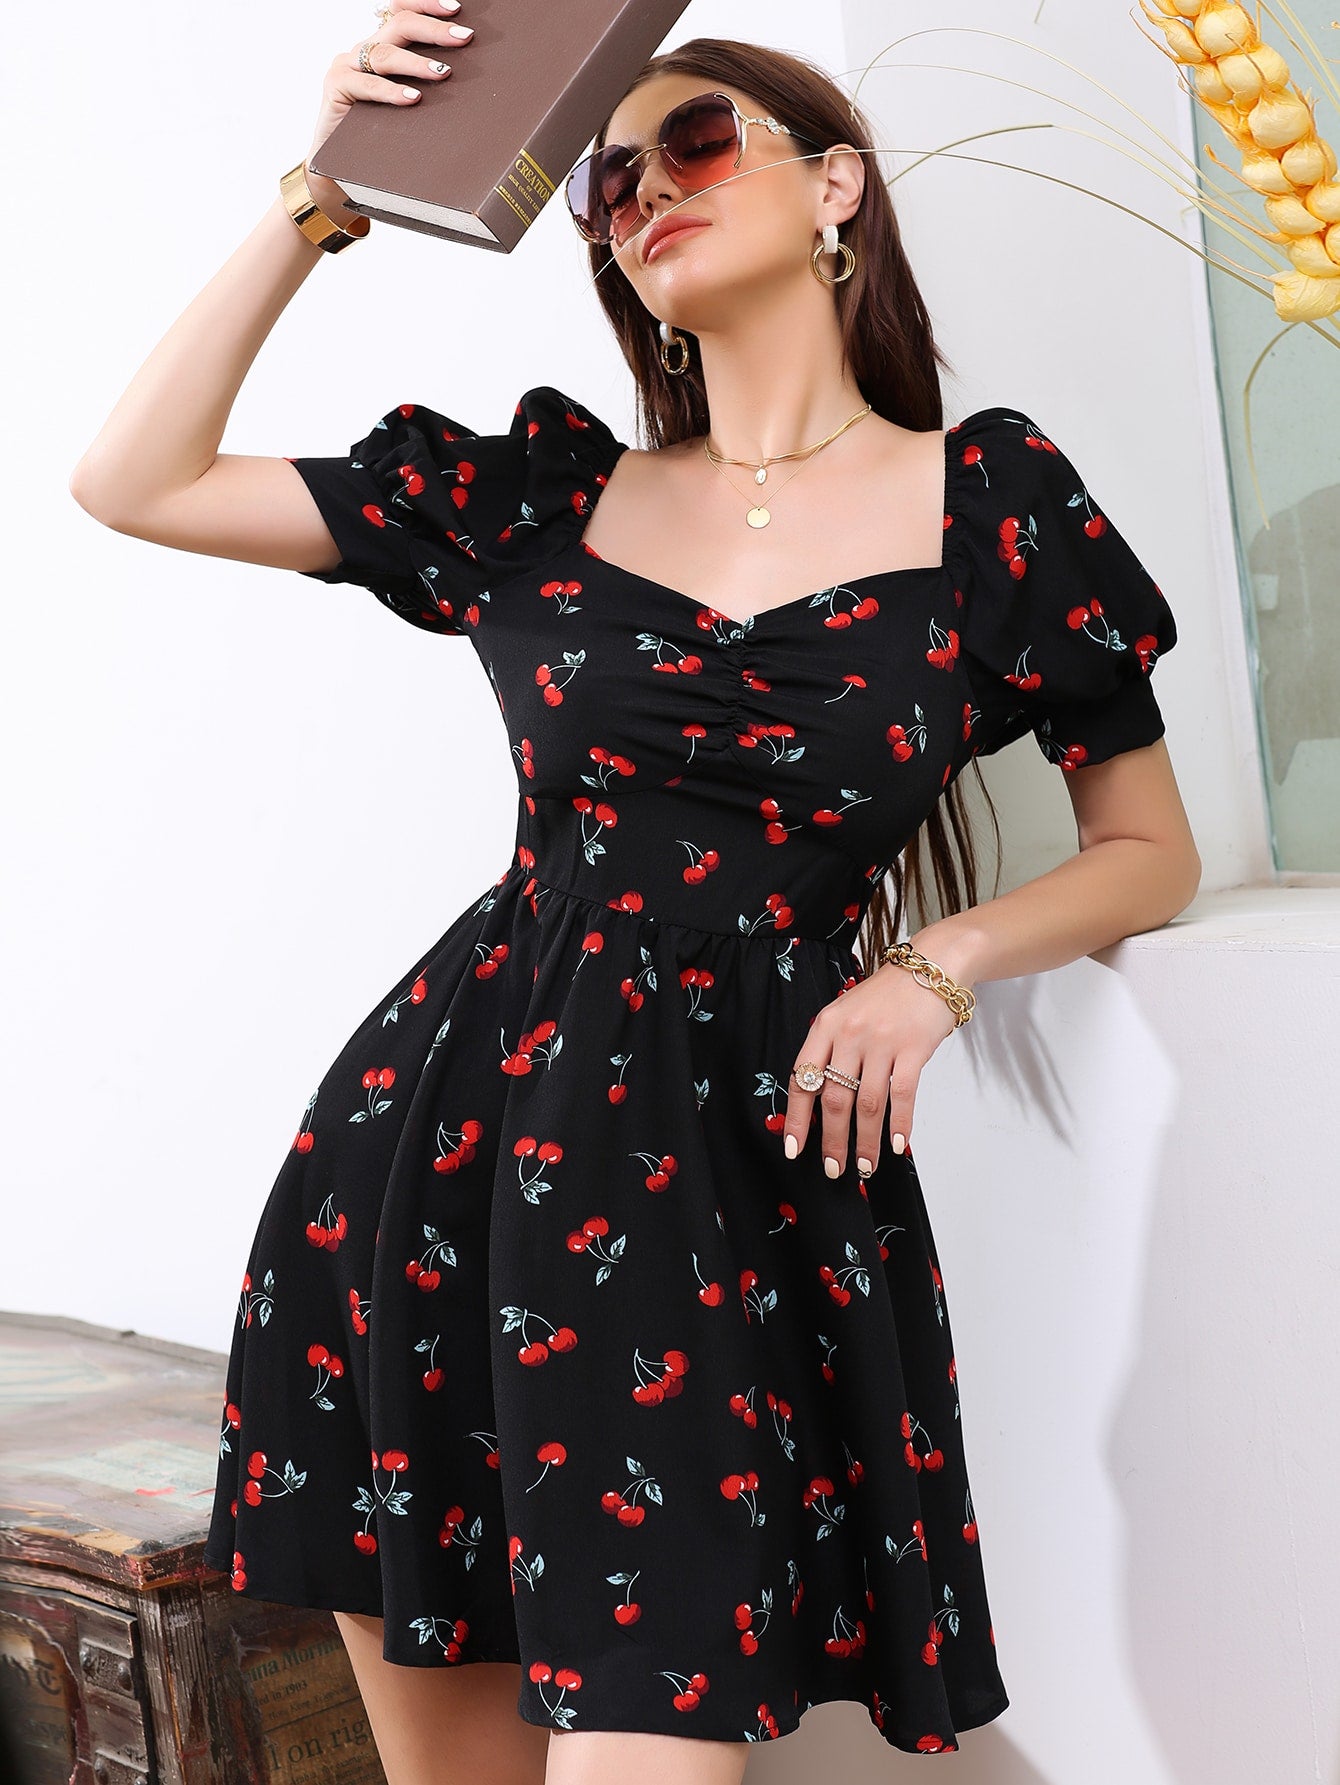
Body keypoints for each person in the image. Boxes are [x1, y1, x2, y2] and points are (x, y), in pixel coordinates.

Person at [69, 10, 1202, 1783]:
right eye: (608, 181)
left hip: (738, 1189)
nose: (644, 190)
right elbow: (133, 480)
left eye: (698, 142)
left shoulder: (991, 503)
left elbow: (1149, 848)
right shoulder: (545, 496)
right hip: (445, 1168)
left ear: (836, 187)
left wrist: (937, 963)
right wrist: (324, 194)